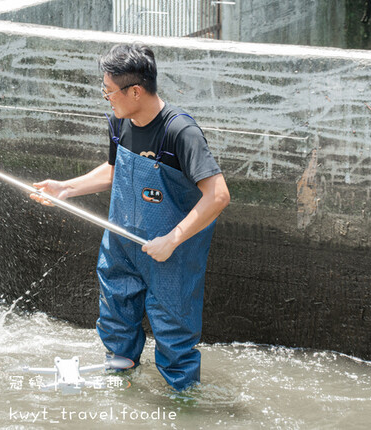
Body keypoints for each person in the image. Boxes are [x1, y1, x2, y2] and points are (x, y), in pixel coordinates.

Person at [32, 43, 230, 391]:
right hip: (121, 246)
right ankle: (121, 391)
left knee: (174, 339)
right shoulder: (119, 121)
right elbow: (114, 170)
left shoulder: (180, 132)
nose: (106, 97)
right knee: (116, 326)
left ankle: (182, 405)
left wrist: (173, 238)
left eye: (108, 90)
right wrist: (66, 188)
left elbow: (218, 194)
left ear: (135, 91)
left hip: (170, 254)